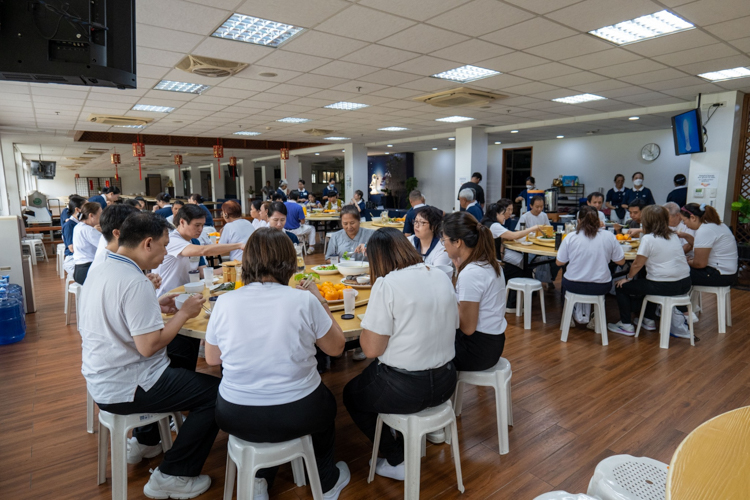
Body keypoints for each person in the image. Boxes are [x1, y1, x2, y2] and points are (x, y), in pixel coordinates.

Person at [79, 212, 220, 499]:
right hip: (128, 385)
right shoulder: (135, 281)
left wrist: (155, 306)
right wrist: (183, 313)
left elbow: (117, 316)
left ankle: (147, 439)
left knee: (182, 351)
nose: (166, 252)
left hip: (102, 376)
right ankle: (173, 474)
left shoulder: (103, 267)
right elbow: (148, 346)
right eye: (164, 245)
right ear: (147, 243)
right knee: (218, 395)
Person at [206, 228, 350, 499]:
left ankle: (259, 480)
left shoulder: (224, 302)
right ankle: (326, 481)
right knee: (326, 404)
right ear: (288, 261)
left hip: (234, 413)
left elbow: (213, 359)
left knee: (271, 413)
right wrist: (321, 303)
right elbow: (337, 347)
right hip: (298, 411)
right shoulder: (303, 300)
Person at [343, 228, 458, 481]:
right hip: (447, 382)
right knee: (378, 376)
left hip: (406, 388)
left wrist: (369, 325)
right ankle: (406, 442)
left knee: (351, 394)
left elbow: (371, 349)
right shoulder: (440, 276)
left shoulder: (387, 284)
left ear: (377, 259)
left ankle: (396, 458)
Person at [608, 205, 692, 338]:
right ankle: (648, 319)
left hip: (665, 286)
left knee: (621, 286)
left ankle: (626, 325)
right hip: (685, 283)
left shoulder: (649, 238)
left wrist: (628, 279)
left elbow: (637, 264)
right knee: (650, 280)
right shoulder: (672, 235)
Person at [442, 212, 507, 372]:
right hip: (494, 342)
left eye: (444, 240)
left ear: (457, 242)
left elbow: (467, 327)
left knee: (427, 345)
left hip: (476, 351)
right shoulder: (491, 262)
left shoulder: (472, 273)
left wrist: (447, 292)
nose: (444, 245)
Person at [154, 204, 244, 297]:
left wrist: (234, 267)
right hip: (167, 297)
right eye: (197, 225)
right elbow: (204, 250)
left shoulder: (195, 242)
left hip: (186, 294)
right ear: (182, 222)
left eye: (202, 225)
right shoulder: (172, 240)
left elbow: (203, 273)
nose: (201, 229)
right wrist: (239, 245)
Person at [556, 204, 625, 304]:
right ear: (598, 220)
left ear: (578, 221)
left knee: (566, 283)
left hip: (573, 284)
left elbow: (559, 263)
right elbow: (621, 261)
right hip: (601, 286)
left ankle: (569, 313)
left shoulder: (570, 237)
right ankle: (595, 314)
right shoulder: (609, 236)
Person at [481, 200, 542, 310]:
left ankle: (521, 299)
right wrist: (533, 228)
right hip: (493, 264)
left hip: (487, 261)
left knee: (522, 267)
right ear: (496, 214)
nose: (505, 215)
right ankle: (512, 304)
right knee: (521, 270)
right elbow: (513, 235)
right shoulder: (494, 225)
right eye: (503, 213)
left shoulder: (486, 223)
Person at [680, 203, 739, 287]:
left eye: (684, 220)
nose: (684, 224)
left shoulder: (705, 230)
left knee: (675, 271)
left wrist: (686, 261)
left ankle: (678, 299)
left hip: (719, 275)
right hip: (729, 273)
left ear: (692, 218)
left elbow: (700, 264)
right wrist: (685, 235)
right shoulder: (718, 225)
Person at [519, 195, 557, 288]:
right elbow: (519, 232)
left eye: (541, 206)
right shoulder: (525, 217)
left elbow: (549, 230)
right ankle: (542, 281)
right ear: (531, 206)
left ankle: (550, 278)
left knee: (556, 259)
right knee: (542, 258)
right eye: (537, 207)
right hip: (530, 247)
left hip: (543, 244)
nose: (539, 209)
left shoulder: (544, 215)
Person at [90, 204, 139, 272]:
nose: (140, 235)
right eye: (136, 230)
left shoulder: (116, 257)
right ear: (117, 233)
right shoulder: (107, 266)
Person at [72, 202, 102, 285]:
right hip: (87, 269)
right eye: (100, 214)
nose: (102, 217)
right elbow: (105, 246)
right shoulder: (89, 230)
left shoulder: (79, 226)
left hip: (79, 269)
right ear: (91, 215)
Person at [62, 197, 84, 277]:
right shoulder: (69, 225)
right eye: (86, 207)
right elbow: (72, 248)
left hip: (80, 258)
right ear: (77, 210)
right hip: (72, 260)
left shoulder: (80, 223)